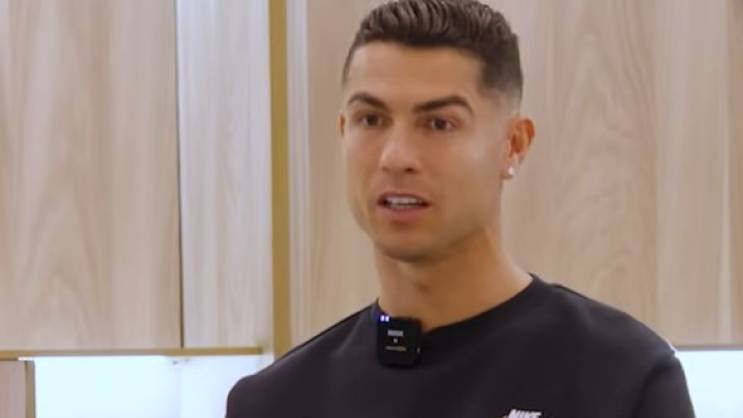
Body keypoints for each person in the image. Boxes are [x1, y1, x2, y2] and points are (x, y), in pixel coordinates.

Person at [226, 0, 695, 417]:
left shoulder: (622, 378)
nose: (395, 157)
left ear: (513, 145)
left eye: (438, 124)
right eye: (371, 119)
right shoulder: (274, 402)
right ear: (343, 131)